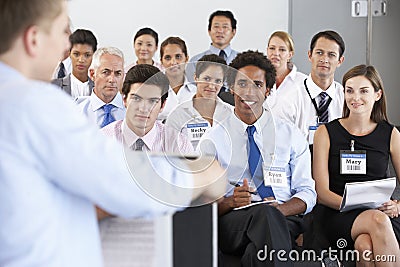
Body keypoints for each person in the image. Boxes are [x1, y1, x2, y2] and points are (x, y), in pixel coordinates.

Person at [0, 1, 227, 266]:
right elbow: (122, 181)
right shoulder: (30, 103)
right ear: (34, 39)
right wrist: (198, 175)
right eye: (63, 32)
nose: (65, 50)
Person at [200, 50, 316, 266]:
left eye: (257, 85)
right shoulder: (213, 139)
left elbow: (308, 193)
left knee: (257, 252)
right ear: (231, 87)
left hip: (284, 218)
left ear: (268, 91)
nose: (249, 92)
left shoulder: (290, 134)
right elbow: (202, 204)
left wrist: (279, 210)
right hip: (234, 222)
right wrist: (230, 201)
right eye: (242, 84)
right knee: (264, 217)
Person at [312, 64, 400, 265]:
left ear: (377, 95)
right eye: (349, 91)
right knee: (376, 221)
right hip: (338, 213)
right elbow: (321, 192)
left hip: (382, 213)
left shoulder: (391, 134)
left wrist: (397, 205)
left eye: (364, 91)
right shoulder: (325, 133)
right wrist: (355, 203)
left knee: (365, 246)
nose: (355, 97)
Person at [102, 64, 193, 153]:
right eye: (136, 99)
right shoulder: (101, 140)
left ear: (162, 105)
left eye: (152, 101)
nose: (143, 109)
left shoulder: (179, 144)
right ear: (124, 99)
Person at [275, 30, 345, 145]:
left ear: (340, 61)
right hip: (301, 162)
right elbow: (281, 146)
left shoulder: (346, 98)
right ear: (310, 55)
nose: (324, 59)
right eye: (319, 52)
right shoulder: (289, 98)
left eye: (331, 55)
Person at [166, 54, 233, 150]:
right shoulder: (177, 115)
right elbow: (169, 153)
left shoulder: (230, 114)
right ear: (196, 77)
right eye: (207, 79)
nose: (211, 86)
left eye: (217, 81)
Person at [186, 10, 238, 105]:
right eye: (216, 26)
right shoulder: (195, 61)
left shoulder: (241, 61)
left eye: (225, 27)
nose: (220, 31)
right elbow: (191, 91)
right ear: (209, 31)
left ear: (233, 32)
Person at [76, 46, 126, 128]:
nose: (112, 79)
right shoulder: (76, 110)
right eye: (106, 72)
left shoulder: (133, 111)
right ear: (92, 74)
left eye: (118, 73)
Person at [263, 31, 307, 112]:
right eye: (272, 48)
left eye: (282, 50)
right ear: (267, 50)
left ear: (290, 55)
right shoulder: (259, 79)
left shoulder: (304, 82)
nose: (276, 53)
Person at [157, 36, 197, 121]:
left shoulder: (196, 92)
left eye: (178, 56)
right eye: (168, 58)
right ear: (161, 61)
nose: (173, 62)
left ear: (186, 58)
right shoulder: (154, 91)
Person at [52, 28, 97, 98]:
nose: (81, 60)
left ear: (93, 55)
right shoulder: (54, 86)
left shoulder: (99, 87)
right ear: (70, 54)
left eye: (87, 55)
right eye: (76, 54)